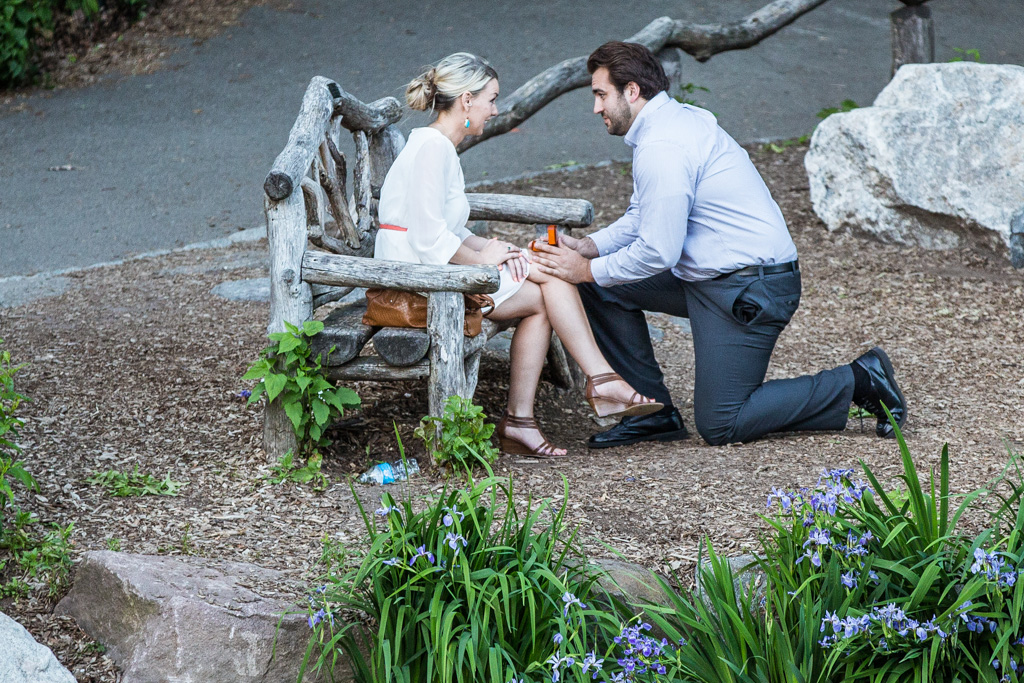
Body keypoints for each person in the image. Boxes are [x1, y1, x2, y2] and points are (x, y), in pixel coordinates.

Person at [532, 41, 907, 449]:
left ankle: (858, 379)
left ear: (632, 91)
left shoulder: (662, 147)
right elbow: (644, 215)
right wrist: (589, 247)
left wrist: (585, 269)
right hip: (716, 278)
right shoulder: (671, 124)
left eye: (601, 94)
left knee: (723, 422)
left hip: (751, 288)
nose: (596, 108)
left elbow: (659, 252)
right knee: (599, 286)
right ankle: (652, 413)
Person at [375, 52, 661, 458]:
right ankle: (592, 385)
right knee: (548, 281)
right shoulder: (432, 148)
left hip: (428, 270)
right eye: (491, 99)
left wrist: (499, 251)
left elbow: (446, 230)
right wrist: (483, 261)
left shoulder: (439, 147)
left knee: (542, 285)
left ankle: (533, 416)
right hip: (413, 283)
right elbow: (426, 237)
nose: (495, 110)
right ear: (467, 100)